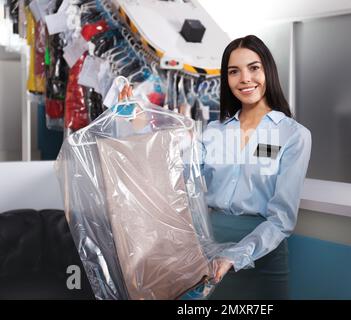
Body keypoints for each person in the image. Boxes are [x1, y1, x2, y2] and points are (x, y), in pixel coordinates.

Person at [119, 35, 311, 300]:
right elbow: (176, 175)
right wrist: (139, 122)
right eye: (234, 71)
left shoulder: (293, 135)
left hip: (262, 256)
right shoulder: (214, 132)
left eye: (253, 68)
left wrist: (235, 256)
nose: (245, 78)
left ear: (268, 70)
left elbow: (282, 220)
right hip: (207, 250)